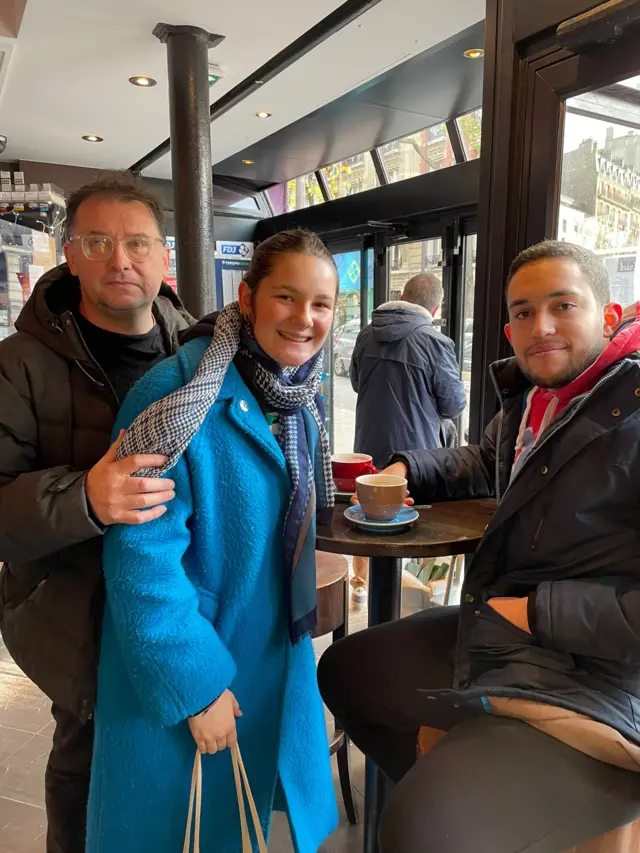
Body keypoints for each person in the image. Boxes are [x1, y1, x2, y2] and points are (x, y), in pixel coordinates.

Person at [319, 240, 640, 852]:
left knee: (416, 831)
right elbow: (486, 461)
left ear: (609, 316)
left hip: (599, 685)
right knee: (347, 672)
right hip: (505, 639)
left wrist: (535, 613)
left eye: (561, 305)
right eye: (522, 312)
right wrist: (406, 470)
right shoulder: (540, 401)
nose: (540, 327)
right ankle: (489, 813)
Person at [85, 230, 339, 853]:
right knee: (177, 831)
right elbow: (140, 556)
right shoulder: (177, 394)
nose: (305, 319)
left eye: (322, 304)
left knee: (242, 825)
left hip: (267, 649)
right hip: (193, 664)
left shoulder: (292, 396)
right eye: (287, 296)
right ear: (248, 298)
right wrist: (195, 687)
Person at [0, 173, 193, 853]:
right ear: (69, 253)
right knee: (86, 775)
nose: (121, 258)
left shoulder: (195, 352)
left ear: (163, 256)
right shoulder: (18, 364)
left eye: (138, 242)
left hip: (175, 611)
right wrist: (85, 497)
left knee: (173, 771)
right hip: (77, 618)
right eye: (98, 241)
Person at [349, 273, 466, 603]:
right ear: (436, 306)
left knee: (367, 512)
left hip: (369, 442)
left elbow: (358, 383)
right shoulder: (435, 343)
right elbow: (454, 403)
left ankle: (361, 584)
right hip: (417, 452)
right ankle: (417, 592)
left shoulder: (366, 334)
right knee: (417, 516)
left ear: (403, 296)